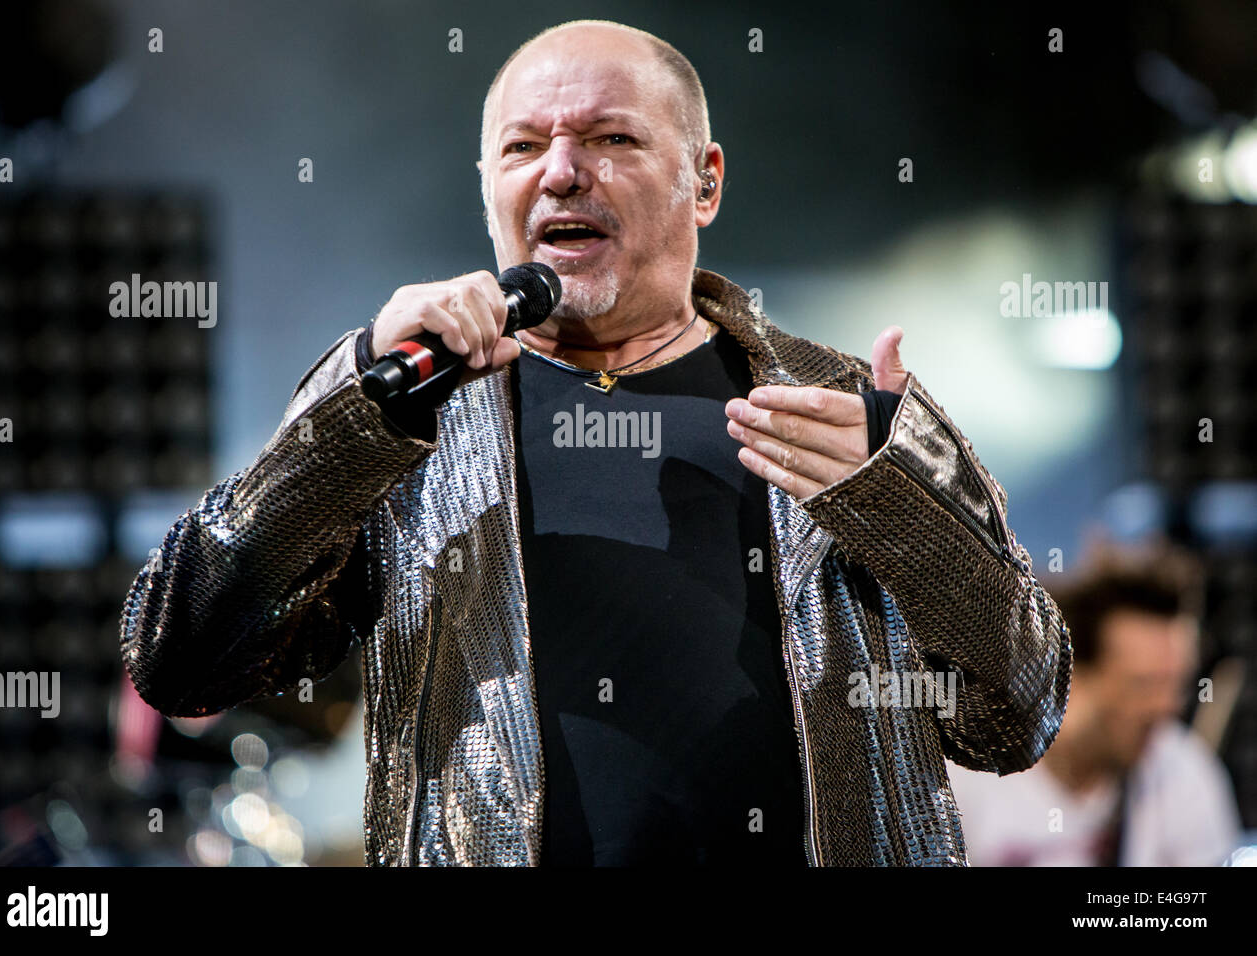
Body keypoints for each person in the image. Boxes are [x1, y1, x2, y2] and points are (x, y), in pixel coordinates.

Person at [120, 19, 1071, 866]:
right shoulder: (399, 407)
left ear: (705, 181)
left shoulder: (841, 407)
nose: (562, 171)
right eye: (524, 145)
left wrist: (901, 508)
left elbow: (1017, 717)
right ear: (489, 182)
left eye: (612, 138)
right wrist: (357, 398)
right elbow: (182, 656)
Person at [946, 540, 1243, 866]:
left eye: (1178, 685)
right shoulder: (966, 777)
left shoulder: (1185, 777)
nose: (1168, 706)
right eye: (1143, 684)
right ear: (1071, 679)